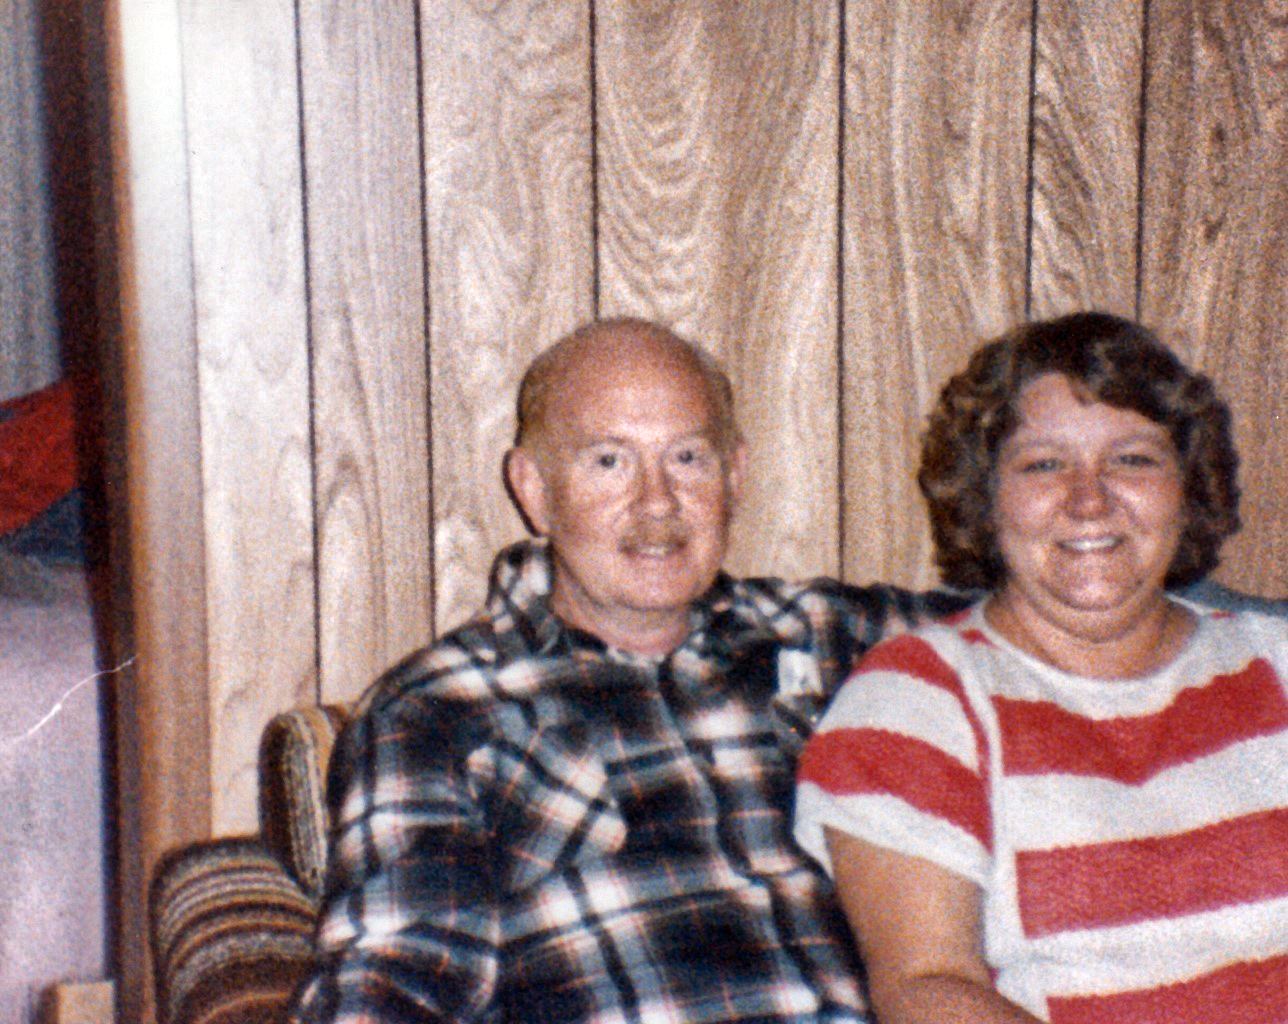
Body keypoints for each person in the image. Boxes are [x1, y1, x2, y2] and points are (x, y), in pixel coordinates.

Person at [288, 317, 970, 1024]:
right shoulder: (440, 711)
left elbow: (1027, 628)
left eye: (688, 458)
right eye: (609, 461)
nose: (657, 503)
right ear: (534, 489)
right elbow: (389, 985)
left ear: (734, 475)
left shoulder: (829, 636)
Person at [795, 312, 1288, 1023]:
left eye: (1133, 459)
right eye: (1044, 464)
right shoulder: (916, 699)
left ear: (1188, 488)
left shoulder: (1275, 662)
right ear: (985, 498)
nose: (1090, 500)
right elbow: (926, 988)